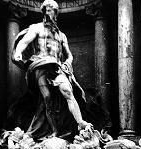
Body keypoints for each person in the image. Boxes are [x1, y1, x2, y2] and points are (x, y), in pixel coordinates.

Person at [12, 0, 92, 141]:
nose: (49, 13)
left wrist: (67, 63)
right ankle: (55, 131)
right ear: (43, 12)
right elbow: (24, 41)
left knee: (67, 90)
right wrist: (18, 52)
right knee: (47, 98)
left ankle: (80, 122)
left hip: (57, 67)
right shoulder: (36, 28)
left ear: (56, 13)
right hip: (40, 65)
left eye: (52, 10)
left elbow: (69, 55)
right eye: (46, 10)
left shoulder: (62, 36)